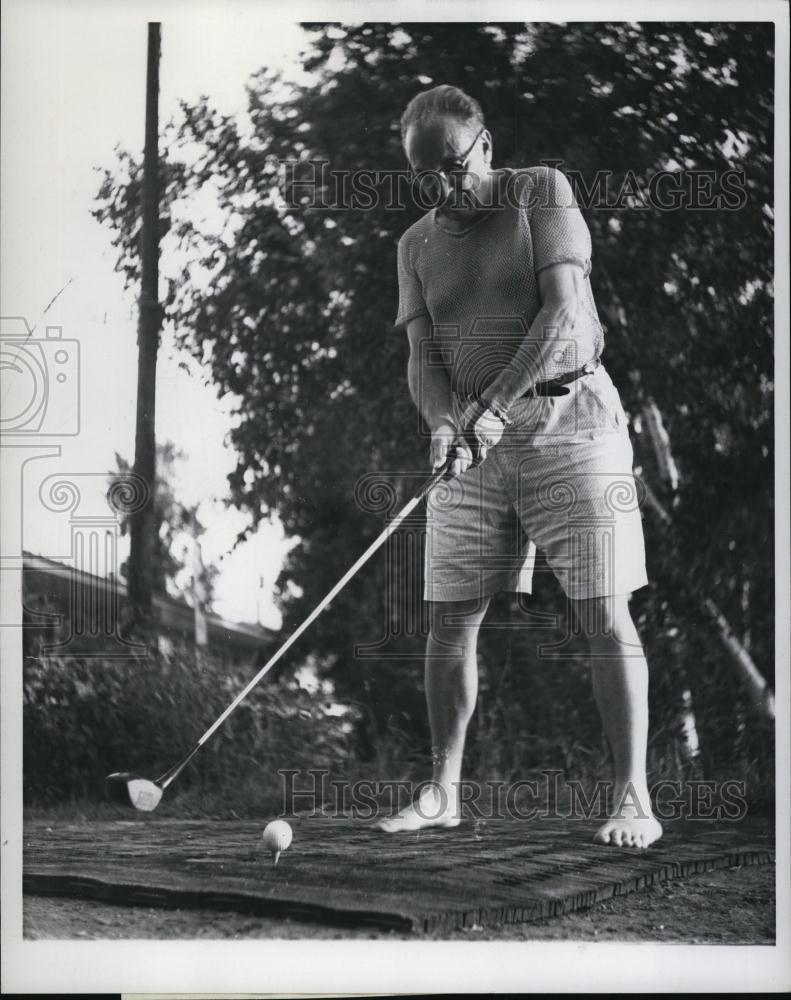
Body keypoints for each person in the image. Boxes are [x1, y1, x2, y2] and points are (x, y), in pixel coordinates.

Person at [374, 85, 663, 849]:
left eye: (451, 166)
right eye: (423, 177)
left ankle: (632, 797)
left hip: (570, 423)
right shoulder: (414, 245)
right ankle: (442, 792)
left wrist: (494, 408)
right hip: (470, 435)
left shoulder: (542, 191)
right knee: (448, 620)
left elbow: (563, 311)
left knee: (602, 612)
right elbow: (421, 359)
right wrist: (442, 423)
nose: (441, 188)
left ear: (486, 147)